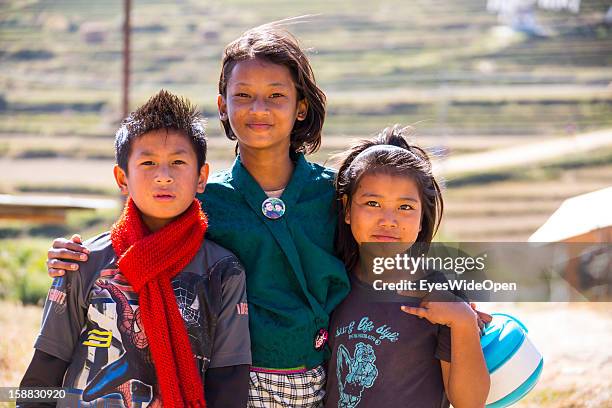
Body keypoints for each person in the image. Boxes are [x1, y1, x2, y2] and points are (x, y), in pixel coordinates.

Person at [44, 24, 350, 407]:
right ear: (222, 105)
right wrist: (75, 255)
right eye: (243, 95)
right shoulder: (203, 198)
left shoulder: (334, 193)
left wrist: (440, 281)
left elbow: (385, 254)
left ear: (300, 105)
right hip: (223, 381)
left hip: (323, 377)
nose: (259, 109)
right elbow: (137, 244)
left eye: (276, 95)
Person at [20, 90, 251, 408]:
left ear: (202, 177)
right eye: (148, 163)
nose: (164, 176)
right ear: (122, 178)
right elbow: (44, 370)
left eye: (178, 162)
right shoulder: (84, 261)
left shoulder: (223, 270)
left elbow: (229, 381)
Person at [325, 125, 490, 408]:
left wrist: (462, 322)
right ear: (347, 209)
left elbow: (469, 402)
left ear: (422, 218)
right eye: (373, 203)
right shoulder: (332, 283)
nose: (388, 219)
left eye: (405, 207)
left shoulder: (442, 294)